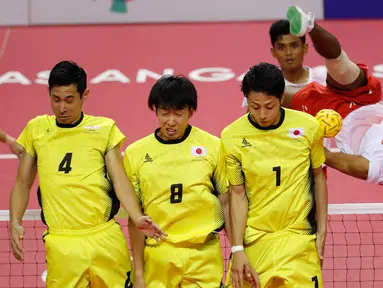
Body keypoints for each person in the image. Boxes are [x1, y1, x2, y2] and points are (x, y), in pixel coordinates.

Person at [9, 60, 167, 287]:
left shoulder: (104, 129)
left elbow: (119, 178)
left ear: (85, 95)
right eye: (56, 99)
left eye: (69, 99)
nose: (62, 107)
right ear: (49, 94)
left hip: (104, 239)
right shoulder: (36, 129)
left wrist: (136, 216)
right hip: (62, 243)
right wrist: (15, 221)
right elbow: (22, 183)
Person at [221, 63, 328, 288]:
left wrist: (322, 231)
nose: (262, 115)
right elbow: (237, 194)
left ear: (281, 97)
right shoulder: (231, 136)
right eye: (254, 106)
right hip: (255, 241)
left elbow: (319, 177)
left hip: (298, 238)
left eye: (269, 106)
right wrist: (237, 248)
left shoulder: (308, 127)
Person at [124, 75, 230, 287]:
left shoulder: (214, 147)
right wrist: (138, 273)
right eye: (164, 113)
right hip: (158, 257)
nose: (171, 121)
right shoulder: (135, 154)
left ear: (191, 111)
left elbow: (227, 204)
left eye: (178, 113)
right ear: (155, 110)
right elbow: (136, 219)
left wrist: (237, 250)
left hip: (203, 256)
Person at [286, 5, 383, 185]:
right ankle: (308, 24)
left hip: (340, 122)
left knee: (278, 97)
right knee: (340, 65)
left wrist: (320, 152)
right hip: (365, 100)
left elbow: (364, 168)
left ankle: (258, 86)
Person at [241, 19, 326, 109]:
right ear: (273, 52)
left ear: (305, 48)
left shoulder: (324, 77)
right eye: (281, 47)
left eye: (294, 46)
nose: (288, 52)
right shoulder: (262, 82)